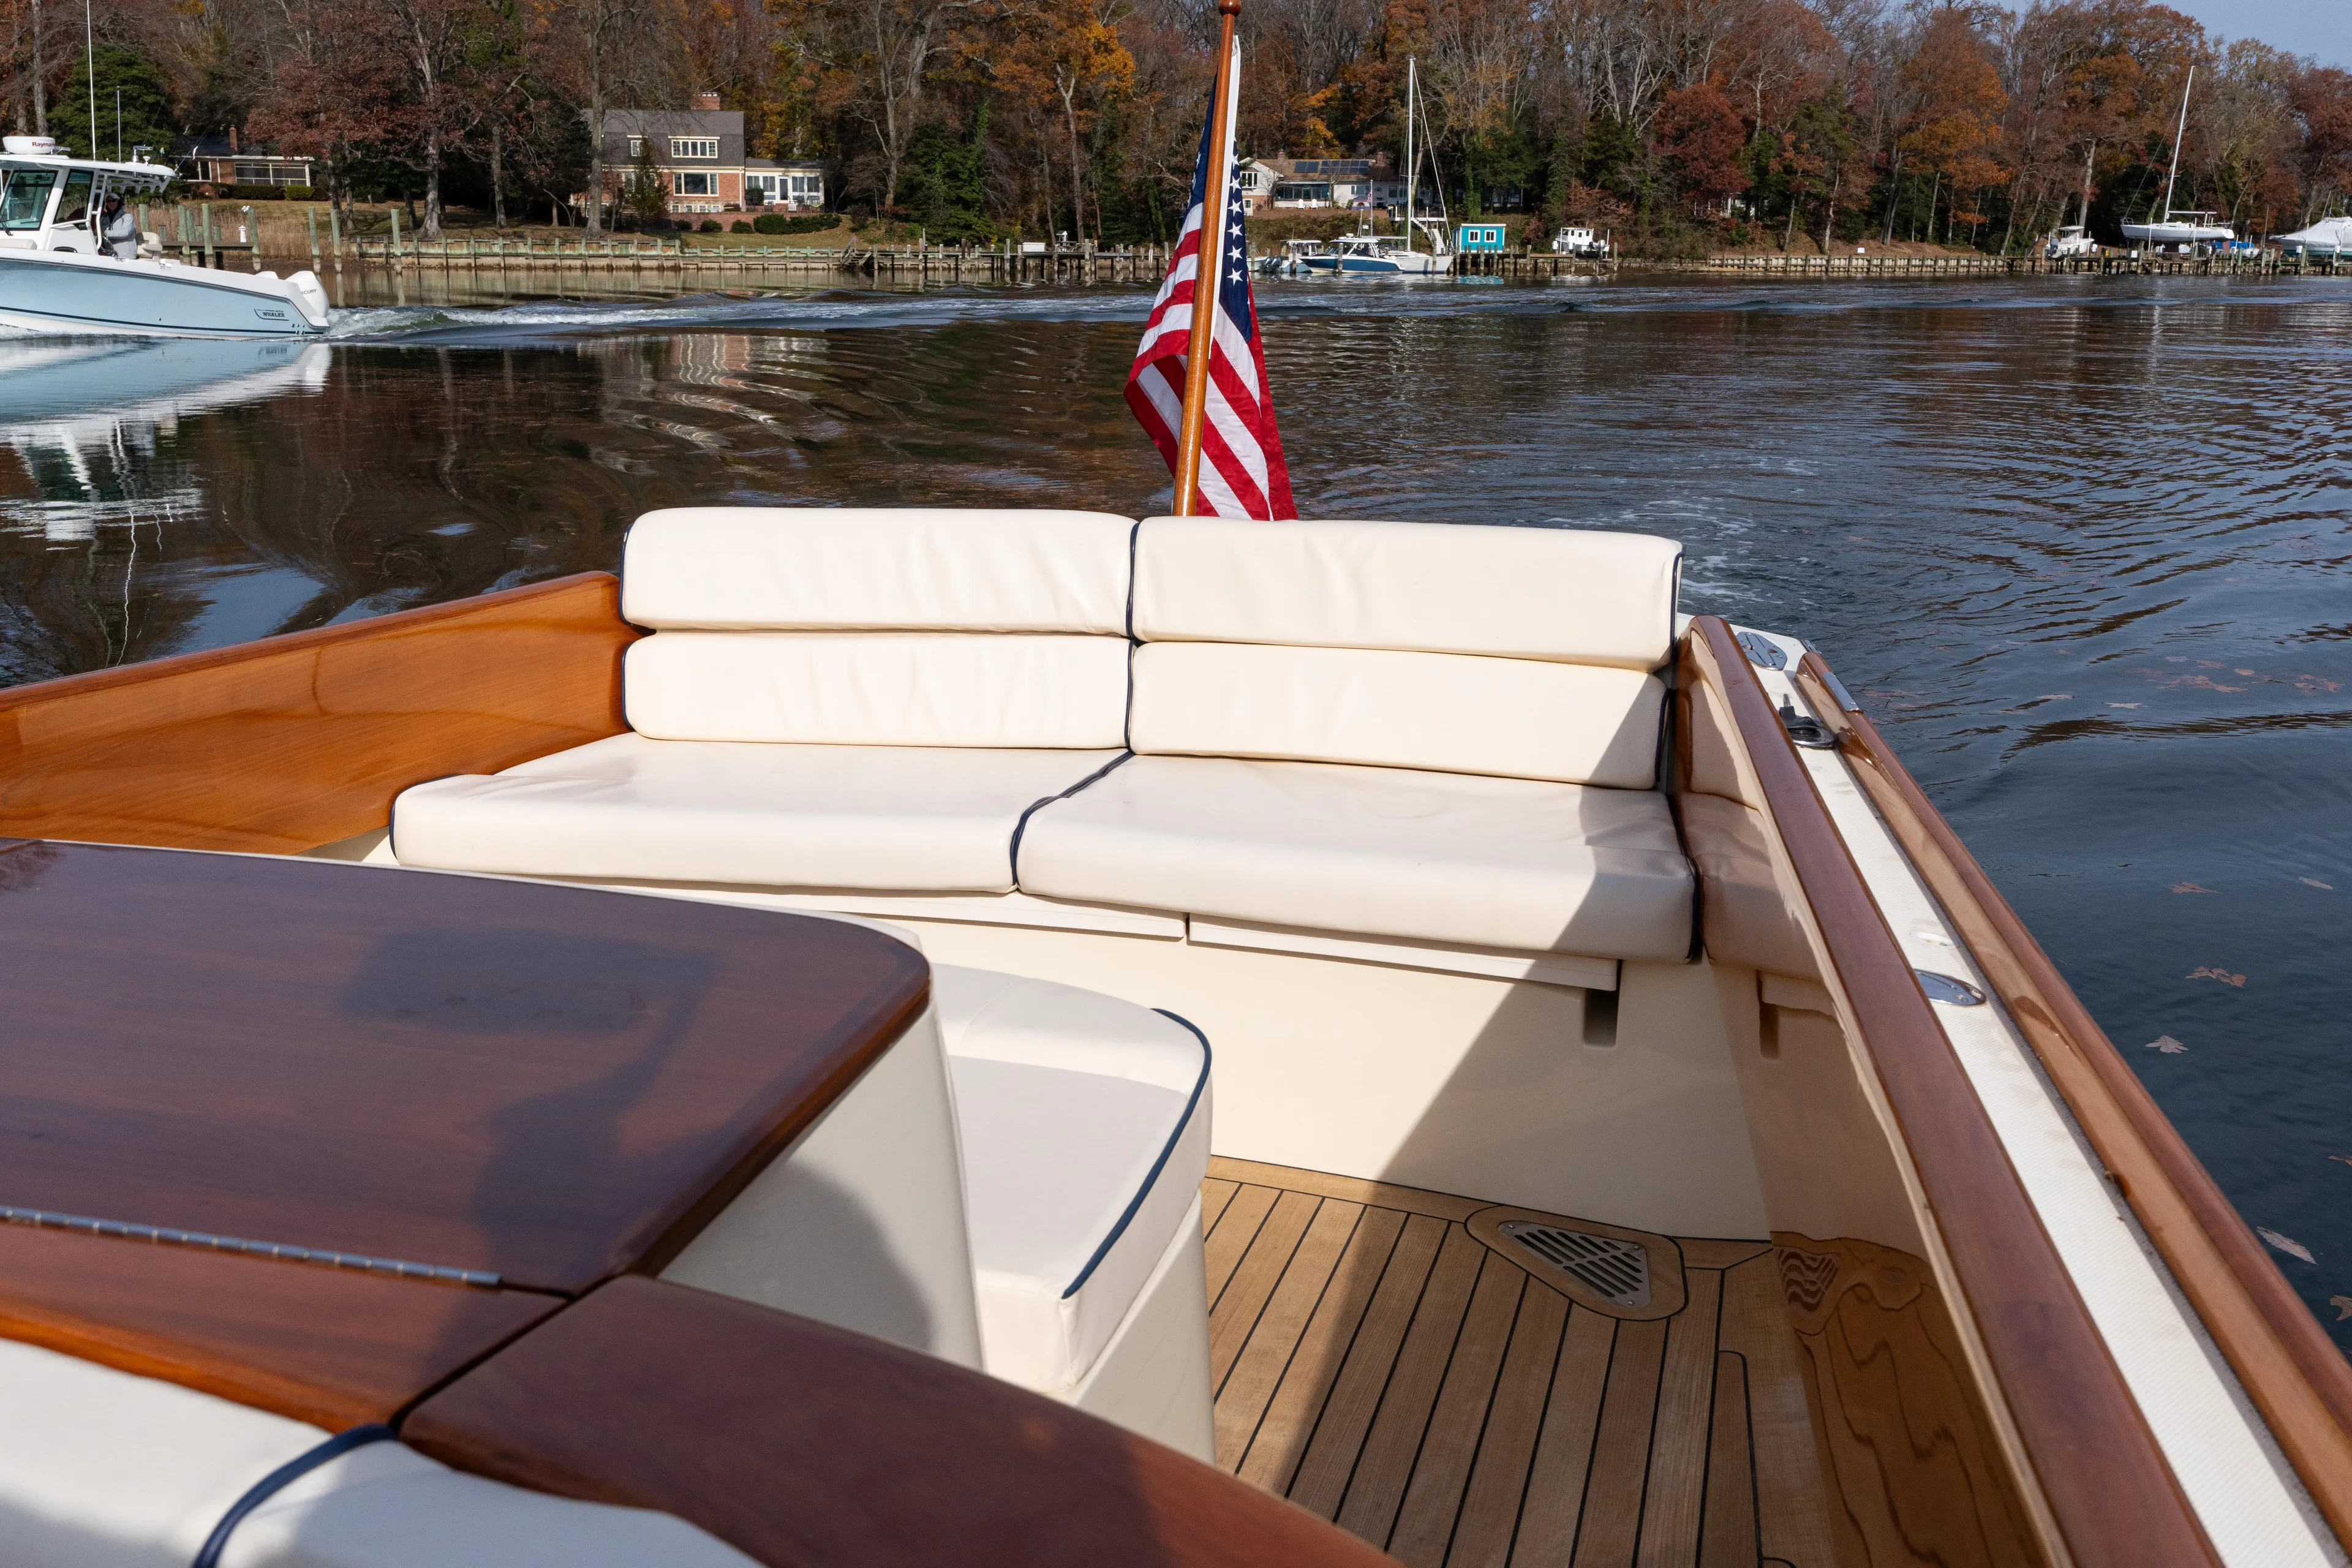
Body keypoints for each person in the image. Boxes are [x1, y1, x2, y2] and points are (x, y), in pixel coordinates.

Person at [100, 193, 138, 260]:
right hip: (110, 254)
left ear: (118, 202)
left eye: (114, 200)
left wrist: (105, 233)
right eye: (109, 201)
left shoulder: (127, 217)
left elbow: (125, 233)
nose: (111, 203)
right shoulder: (104, 218)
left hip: (126, 255)